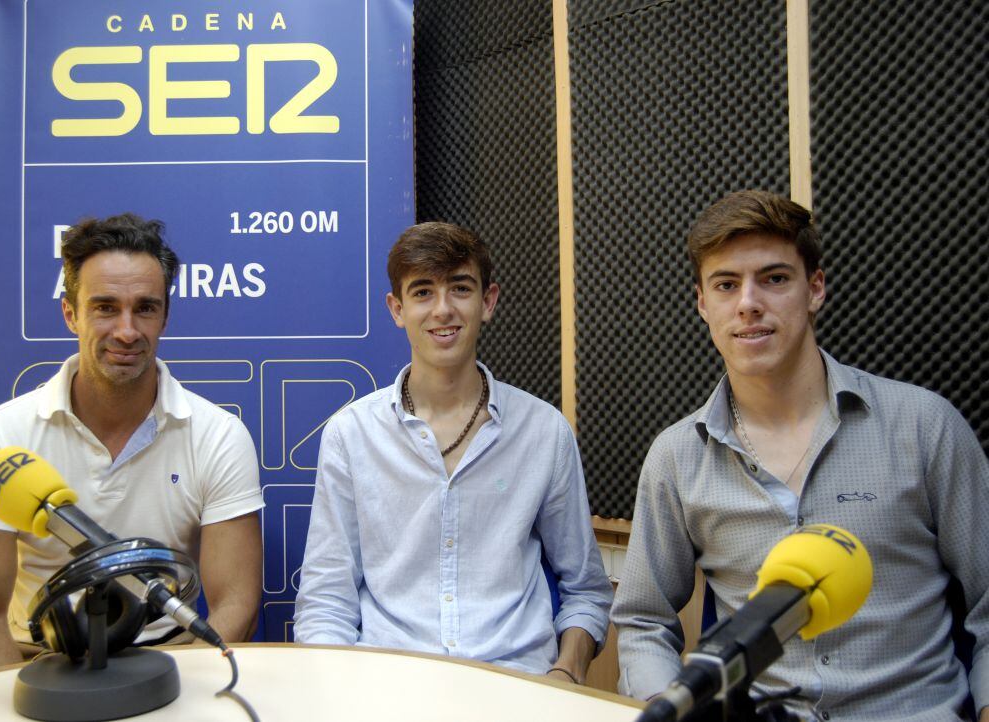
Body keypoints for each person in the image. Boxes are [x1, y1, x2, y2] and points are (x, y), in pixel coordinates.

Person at [613, 190, 989, 720]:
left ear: (815, 289)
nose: (748, 303)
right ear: (702, 303)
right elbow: (643, 620)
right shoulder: (676, 457)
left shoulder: (925, 426)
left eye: (774, 278)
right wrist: (662, 701)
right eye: (726, 284)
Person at [293, 222, 612, 682]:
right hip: (386, 689)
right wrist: (337, 693)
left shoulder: (544, 432)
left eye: (460, 288)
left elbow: (586, 591)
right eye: (423, 292)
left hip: (515, 687)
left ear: (488, 301)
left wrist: (566, 672)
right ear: (397, 309)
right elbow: (326, 600)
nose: (442, 309)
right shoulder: (351, 434)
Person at [0, 213, 264, 671]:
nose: (127, 331)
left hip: (170, 659)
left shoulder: (219, 436)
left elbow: (236, 604)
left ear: (165, 316)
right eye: (106, 308)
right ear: (70, 314)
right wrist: (16, 698)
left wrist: (184, 695)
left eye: (145, 308)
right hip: (34, 662)